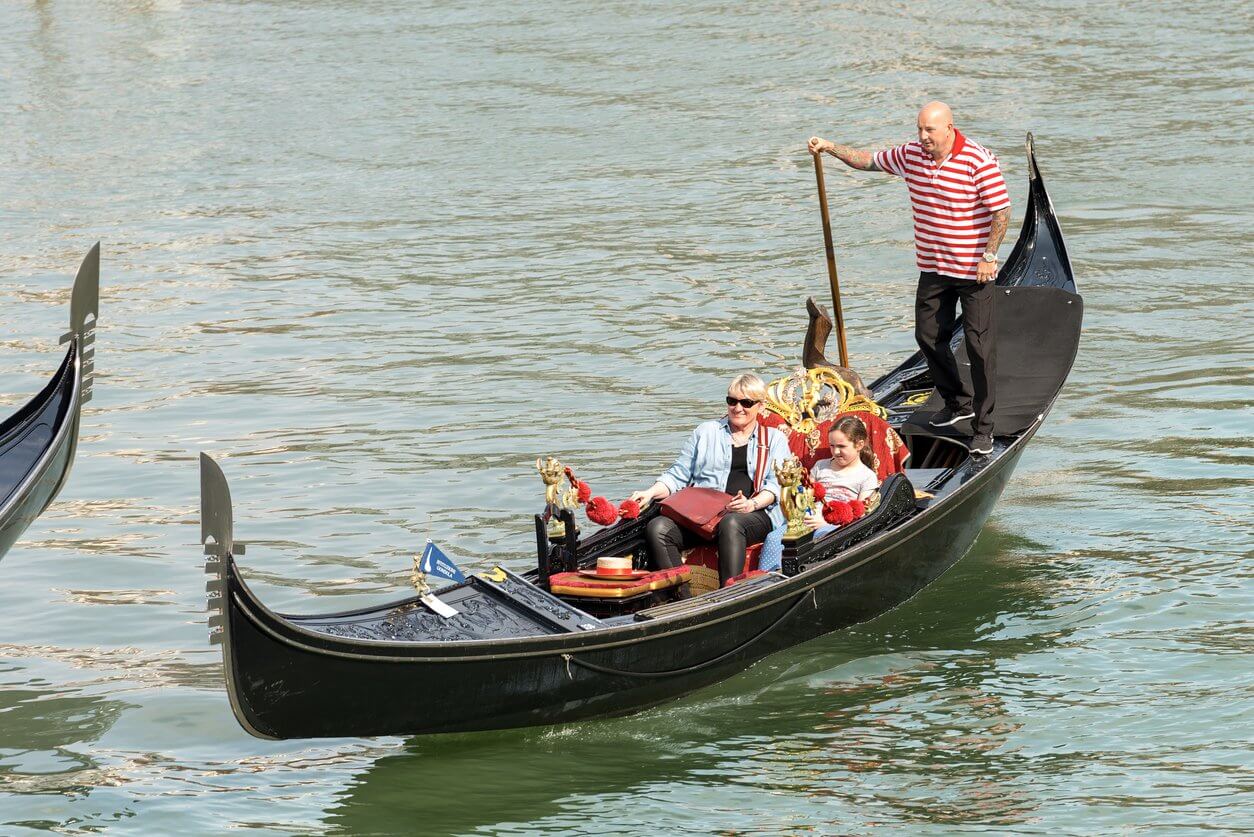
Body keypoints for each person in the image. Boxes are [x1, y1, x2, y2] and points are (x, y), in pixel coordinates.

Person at [807, 101, 1011, 455]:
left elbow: (1001, 211)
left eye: (929, 130)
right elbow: (868, 160)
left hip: (973, 270)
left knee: (979, 347)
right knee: (928, 336)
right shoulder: (912, 155)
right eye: (919, 129)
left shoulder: (978, 160)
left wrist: (989, 257)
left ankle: (984, 426)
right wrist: (830, 147)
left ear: (949, 128)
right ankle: (957, 403)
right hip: (933, 266)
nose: (922, 136)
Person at [629, 374, 793, 586]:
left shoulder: (773, 439)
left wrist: (750, 504)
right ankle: (681, 597)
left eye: (746, 403)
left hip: (754, 514)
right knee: (658, 527)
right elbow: (678, 474)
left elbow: (775, 485)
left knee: (732, 522)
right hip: (704, 516)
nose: (738, 408)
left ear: (760, 407)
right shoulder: (706, 432)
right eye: (732, 401)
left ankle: (728, 593)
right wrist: (650, 493)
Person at [758, 416, 879, 572]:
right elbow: (806, 493)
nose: (835, 452)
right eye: (832, 446)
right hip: (806, 518)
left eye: (841, 446)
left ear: (859, 445)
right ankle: (766, 577)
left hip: (836, 525)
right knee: (774, 538)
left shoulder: (867, 476)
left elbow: (860, 512)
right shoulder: (821, 466)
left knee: (822, 538)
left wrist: (825, 521)